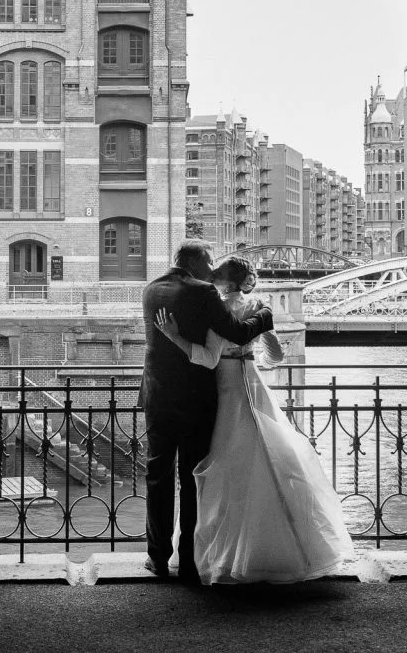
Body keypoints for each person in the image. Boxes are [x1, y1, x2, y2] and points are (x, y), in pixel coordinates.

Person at [155, 255, 356, 585]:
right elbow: (275, 356)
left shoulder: (218, 310)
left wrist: (174, 336)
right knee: (271, 460)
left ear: (224, 279)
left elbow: (207, 359)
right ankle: (290, 549)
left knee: (224, 466)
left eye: (217, 272)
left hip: (225, 390)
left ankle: (217, 554)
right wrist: (256, 358)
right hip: (254, 385)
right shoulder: (258, 307)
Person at [140, 240, 274, 583]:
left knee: (157, 475)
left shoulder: (151, 289)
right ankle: (188, 561)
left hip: (156, 395)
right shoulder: (202, 292)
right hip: (194, 398)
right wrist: (265, 316)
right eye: (209, 260)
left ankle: (156, 557)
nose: (212, 267)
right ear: (197, 262)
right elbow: (237, 332)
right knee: (192, 477)